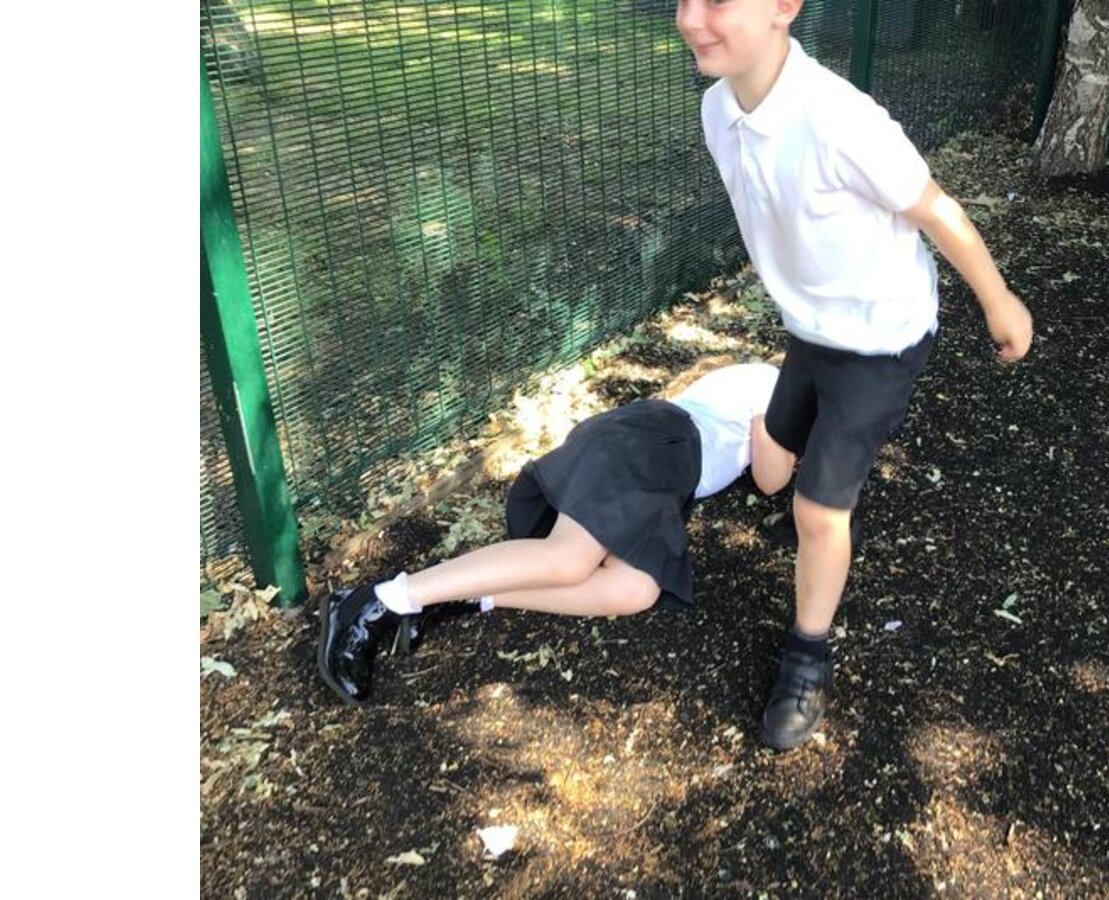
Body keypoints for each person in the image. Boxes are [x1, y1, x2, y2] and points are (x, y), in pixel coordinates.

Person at [678, 0, 1034, 750]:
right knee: (772, 471)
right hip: (812, 329)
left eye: (718, 0)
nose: (691, 18)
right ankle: (821, 510)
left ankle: (807, 656)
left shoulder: (840, 119)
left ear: (784, 7)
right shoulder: (718, 111)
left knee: (815, 510)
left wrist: (999, 301)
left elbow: (937, 211)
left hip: (881, 339)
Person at [317, 360, 789, 706]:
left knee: (635, 588)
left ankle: (461, 596)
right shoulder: (772, 383)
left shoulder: (760, 394)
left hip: (664, 478)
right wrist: (798, 438)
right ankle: (375, 601)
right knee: (568, 560)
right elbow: (772, 480)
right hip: (654, 446)